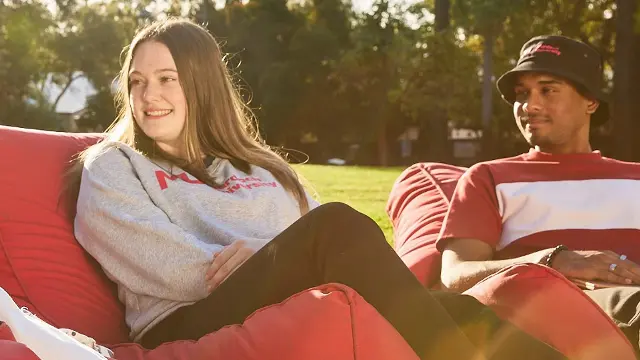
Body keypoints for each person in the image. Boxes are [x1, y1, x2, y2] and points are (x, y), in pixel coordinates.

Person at [68, 18, 565, 360]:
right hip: (183, 319)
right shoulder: (113, 165)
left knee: (445, 305)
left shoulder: (259, 169)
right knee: (338, 226)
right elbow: (160, 263)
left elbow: (329, 251)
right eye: (136, 81)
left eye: (165, 79)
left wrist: (271, 260)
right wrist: (271, 265)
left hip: (273, 293)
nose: (147, 95)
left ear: (200, 85)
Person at [438, 34, 640, 354]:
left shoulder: (636, 177)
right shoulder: (489, 178)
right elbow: (455, 276)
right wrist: (554, 261)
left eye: (548, 90)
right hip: (549, 321)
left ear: (590, 101)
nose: (529, 105)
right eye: (522, 93)